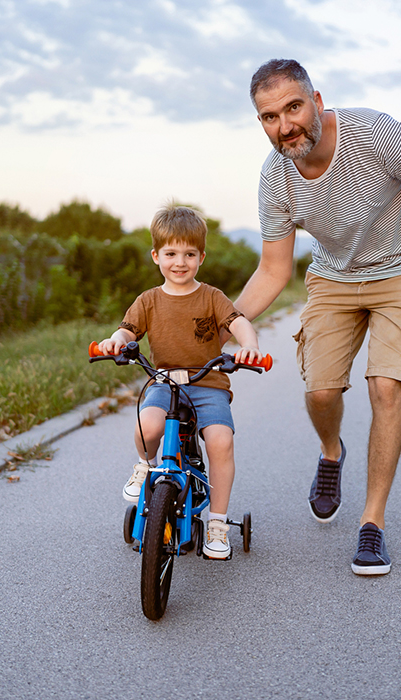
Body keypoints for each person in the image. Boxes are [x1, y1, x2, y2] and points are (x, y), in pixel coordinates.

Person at [234, 59, 401, 576]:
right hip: (333, 276)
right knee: (321, 391)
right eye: (269, 117)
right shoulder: (276, 176)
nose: (285, 126)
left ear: (318, 101)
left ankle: (372, 524)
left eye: (293, 107)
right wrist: (223, 319)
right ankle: (332, 452)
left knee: (386, 386)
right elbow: (272, 269)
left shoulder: (375, 133)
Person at [96, 204, 263, 560]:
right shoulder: (149, 300)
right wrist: (115, 341)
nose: (180, 262)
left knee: (220, 441)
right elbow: (127, 330)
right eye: (171, 253)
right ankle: (145, 465)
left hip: (208, 384)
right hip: (163, 382)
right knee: (147, 425)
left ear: (201, 257)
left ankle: (217, 522)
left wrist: (248, 345)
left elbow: (239, 323)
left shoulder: (211, 297)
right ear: (156, 255)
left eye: (189, 254)